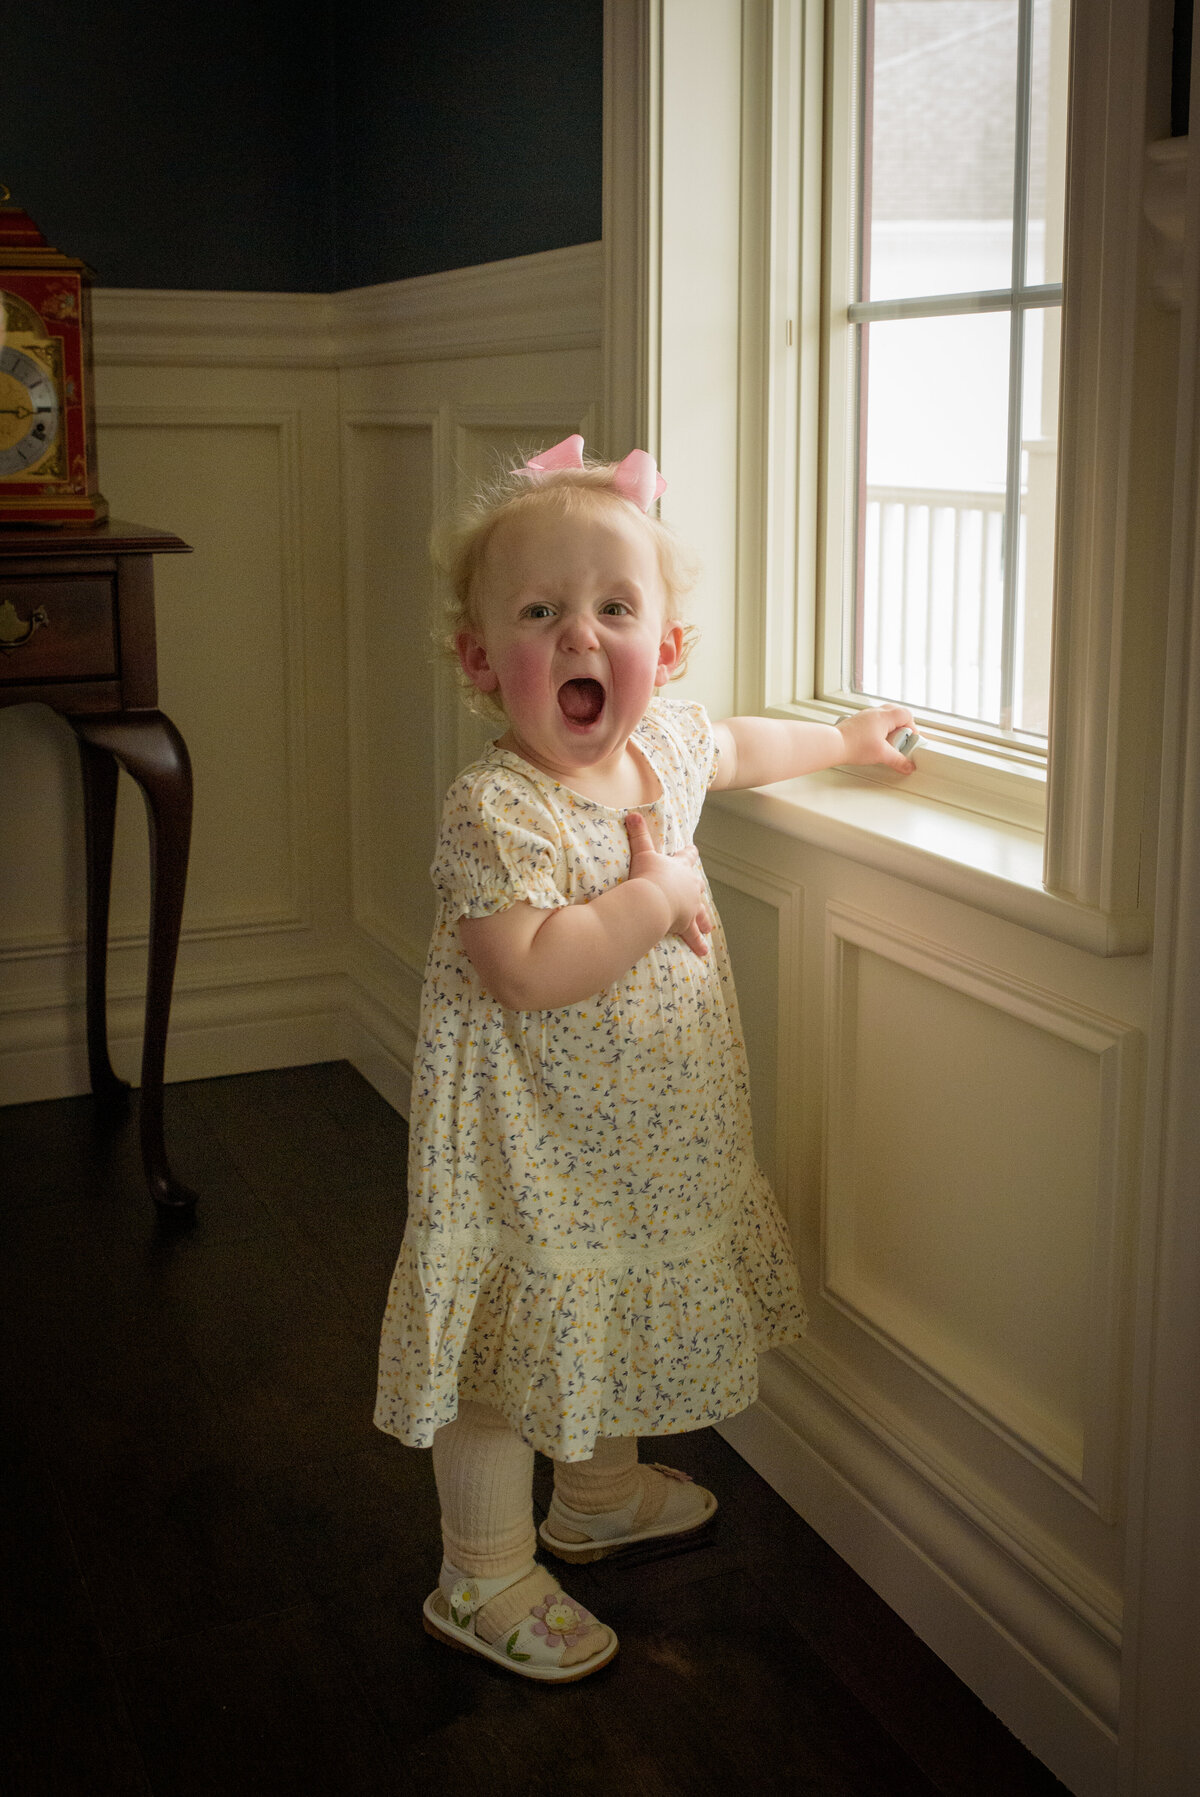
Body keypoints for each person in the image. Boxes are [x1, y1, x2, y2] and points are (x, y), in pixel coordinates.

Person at [374, 435, 915, 1682]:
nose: (579, 636)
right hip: (522, 1139)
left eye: (614, 609)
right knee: (515, 1346)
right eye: (540, 612)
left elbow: (735, 746)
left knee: (601, 1302)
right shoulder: (495, 808)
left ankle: (600, 1496)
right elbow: (525, 967)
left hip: (637, 1133)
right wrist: (657, 897)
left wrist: (845, 741)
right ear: (478, 660)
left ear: (663, 651)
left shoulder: (663, 748)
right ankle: (484, 1569)